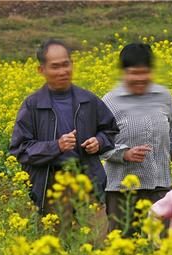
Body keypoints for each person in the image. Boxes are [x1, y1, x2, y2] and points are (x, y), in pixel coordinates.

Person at [10, 39, 119, 241]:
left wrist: (99, 142)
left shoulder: (88, 100)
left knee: (98, 243)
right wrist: (56, 146)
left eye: (66, 64)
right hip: (52, 187)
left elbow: (110, 130)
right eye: (55, 66)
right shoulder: (32, 105)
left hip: (88, 182)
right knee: (57, 248)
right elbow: (20, 149)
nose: (63, 71)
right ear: (41, 70)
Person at [101, 43, 172, 235]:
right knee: (125, 245)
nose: (139, 79)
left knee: (160, 244)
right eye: (133, 73)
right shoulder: (110, 101)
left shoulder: (163, 96)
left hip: (160, 186)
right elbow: (99, 143)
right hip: (122, 192)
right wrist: (124, 154)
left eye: (144, 73)